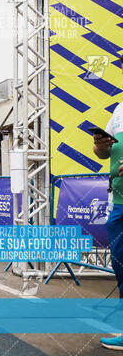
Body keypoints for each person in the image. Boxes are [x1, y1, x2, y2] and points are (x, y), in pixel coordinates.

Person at [93, 56, 123, 350]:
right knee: (121, 265)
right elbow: (104, 154)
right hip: (119, 202)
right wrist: (100, 146)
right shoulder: (119, 109)